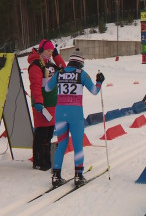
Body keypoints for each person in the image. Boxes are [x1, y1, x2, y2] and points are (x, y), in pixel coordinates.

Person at [45, 48, 105, 187]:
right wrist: (99, 82)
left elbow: (47, 88)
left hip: (60, 113)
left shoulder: (60, 73)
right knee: (78, 146)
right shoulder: (82, 74)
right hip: (75, 113)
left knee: (61, 144)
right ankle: (78, 176)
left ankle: (56, 175)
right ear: (81, 63)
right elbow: (95, 91)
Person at [28, 39, 66, 171]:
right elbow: (35, 85)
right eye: (48, 51)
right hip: (42, 105)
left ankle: (46, 159)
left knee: (49, 134)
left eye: (52, 51)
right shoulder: (36, 65)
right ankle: (38, 160)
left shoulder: (51, 64)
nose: (50, 53)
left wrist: (56, 56)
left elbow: (64, 69)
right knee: (41, 133)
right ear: (41, 50)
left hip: (52, 104)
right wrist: (38, 101)